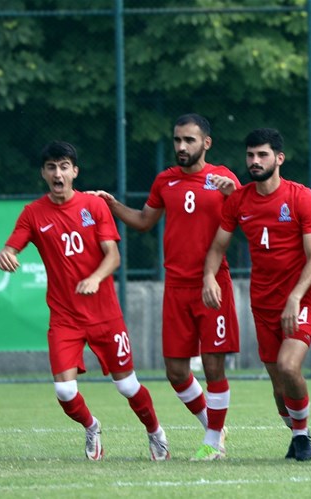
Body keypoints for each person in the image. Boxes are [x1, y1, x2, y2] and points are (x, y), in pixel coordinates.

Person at [0, 141, 169, 461]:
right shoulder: (33, 213)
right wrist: (6, 254)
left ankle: (155, 432)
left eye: (64, 166)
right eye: (51, 167)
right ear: (43, 173)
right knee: (64, 391)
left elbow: (113, 256)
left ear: (75, 171)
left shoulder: (94, 206)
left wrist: (95, 277)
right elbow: (12, 247)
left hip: (105, 315)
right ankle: (91, 427)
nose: (58, 173)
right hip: (65, 318)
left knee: (127, 386)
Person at [90, 114, 240, 461]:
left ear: (206, 143)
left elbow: (245, 218)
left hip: (212, 285)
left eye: (189, 140)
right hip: (175, 286)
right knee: (175, 371)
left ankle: (213, 441)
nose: (182, 147)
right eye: (177, 140)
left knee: (214, 367)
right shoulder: (165, 181)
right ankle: (212, 425)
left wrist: (235, 195)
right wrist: (112, 205)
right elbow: (144, 221)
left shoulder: (224, 180)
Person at [202, 128, 311, 461]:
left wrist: (295, 297)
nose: (255, 161)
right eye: (250, 155)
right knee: (278, 390)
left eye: (262, 155)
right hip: (263, 302)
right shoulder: (240, 200)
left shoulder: (301, 197)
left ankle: (302, 437)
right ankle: (299, 431)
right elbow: (217, 246)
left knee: (289, 366)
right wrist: (208, 278)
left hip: (300, 299)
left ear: (279, 158)